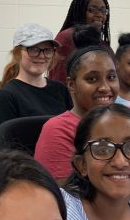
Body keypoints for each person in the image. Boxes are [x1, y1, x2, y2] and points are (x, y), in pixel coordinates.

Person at [35, 25, 119, 183]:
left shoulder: (121, 122)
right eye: (92, 79)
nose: (105, 87)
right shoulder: (58, 129)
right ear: (71, 84)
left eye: (111, 77)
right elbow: (64, 197)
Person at [0, 23, 73, 132]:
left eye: (48, 50)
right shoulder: (7, 95)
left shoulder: (61, 90)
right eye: (34, 49)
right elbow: (3, 144)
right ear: (17, 53)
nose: (42, 56)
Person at [49, 0, 111, 85]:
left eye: (103, 10)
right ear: (80, 12)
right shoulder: (66, 37)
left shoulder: (101, 43)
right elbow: (58, 79)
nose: (99, 15)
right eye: (92, 10)